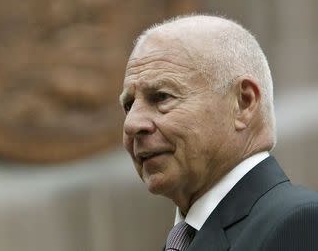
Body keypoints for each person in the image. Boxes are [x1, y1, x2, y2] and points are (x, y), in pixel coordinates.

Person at [119, 15, 318, 250]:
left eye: (162, 97)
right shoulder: (185, 240)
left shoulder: (299, 224)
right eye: (129, 105)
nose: (131, 125)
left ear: (244, 103)